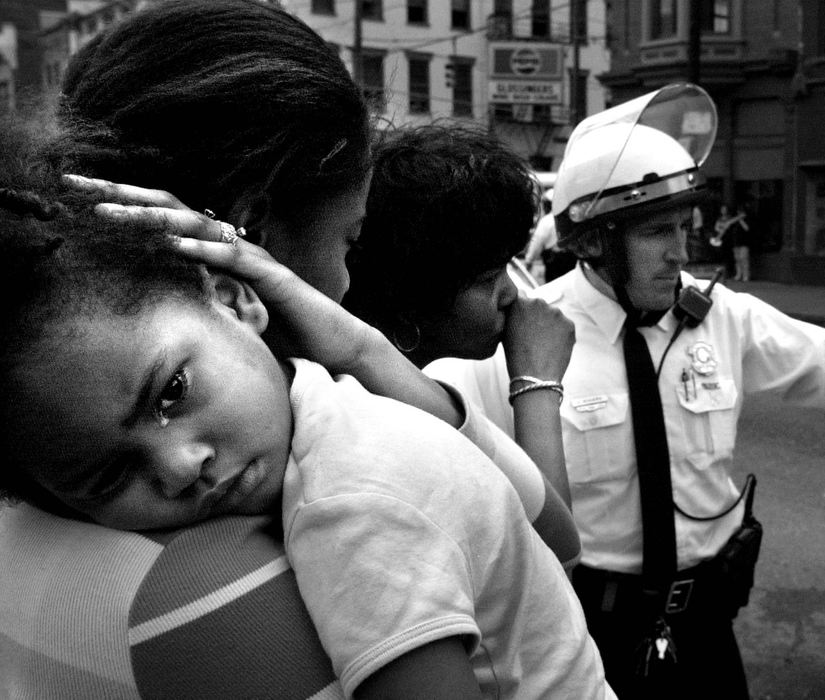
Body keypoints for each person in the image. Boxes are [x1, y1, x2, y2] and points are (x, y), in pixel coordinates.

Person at [1, 1, 599, 696]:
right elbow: (556, 543)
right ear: (247, 239)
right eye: (350, 238)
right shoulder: (234, 579)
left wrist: (362, 354)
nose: (179, 467)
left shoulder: (47, 459)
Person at [425, 83, 825, 699]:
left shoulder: (721, 316)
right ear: (591, 241)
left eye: (683, 227)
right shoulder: (524, 337)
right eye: (656, 233)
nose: (680, 253)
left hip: (709, 627)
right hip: (590, 631)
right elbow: (430, 459)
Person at [343, 122, 576, 516]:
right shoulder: (391, 421)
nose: (512, 293)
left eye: (508, 266)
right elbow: (554, 547)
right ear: (411, 300)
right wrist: (536, 385)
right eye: (488, 279)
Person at [730, 203, 752, 281]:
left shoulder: (746, 219)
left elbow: (746, 228)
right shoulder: (734, 221)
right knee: (737, 259)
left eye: (741, 212)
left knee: (744, 259)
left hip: (744, 242)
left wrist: (741, 220)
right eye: (738, 211)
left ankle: (746, 275)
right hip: (736, 242)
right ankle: (739, 274)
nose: (739, 213)